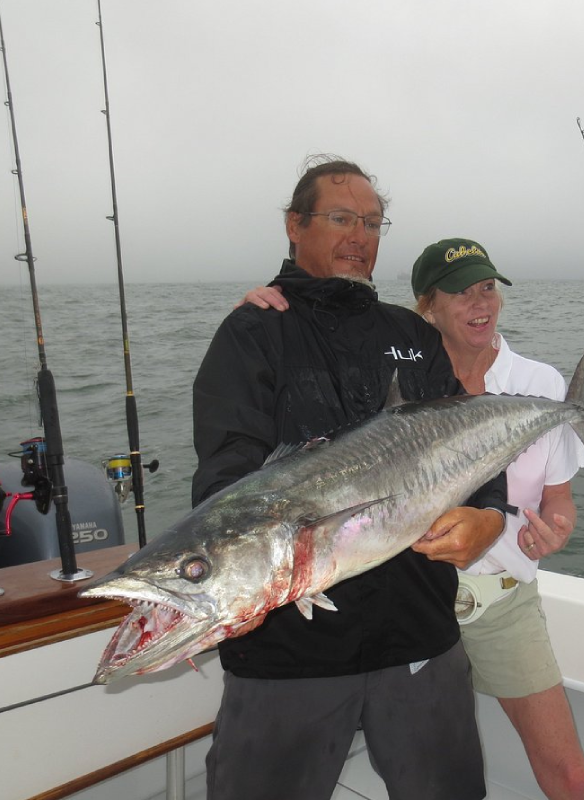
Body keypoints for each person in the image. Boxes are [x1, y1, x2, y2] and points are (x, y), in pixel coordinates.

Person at [244, 237, 584, 800]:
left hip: (503, 597)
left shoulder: (538, 384)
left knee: (571, 775)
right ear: (425, 305)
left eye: (487, 287)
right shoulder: (392, 375)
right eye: (460, 292)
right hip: (413, 605)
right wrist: (272, 307)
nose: (480, 302)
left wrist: (556, 527)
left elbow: (559, 497)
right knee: (430, 772)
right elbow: (312, 415)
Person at [192, 159, 507, 800]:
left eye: (371, 222)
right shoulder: (253, 331)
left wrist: (490, 517)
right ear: (294, 225)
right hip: (287, 651)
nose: (359, 236)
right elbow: (226, 469)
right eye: (340, 218)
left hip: (420, 639)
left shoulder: (412, 334)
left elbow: (469, 440)